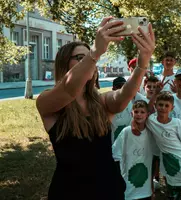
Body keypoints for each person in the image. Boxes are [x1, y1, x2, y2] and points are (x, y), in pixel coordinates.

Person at [35, 17, 155, 200]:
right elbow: (69, 89)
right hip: (69, 193)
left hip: (109, 191)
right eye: (80, 58)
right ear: (64, 63)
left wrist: (142, 63)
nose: (90, 62)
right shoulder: (47, 102)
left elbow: (123, 97)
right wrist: (94, 53)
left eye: (89, 58)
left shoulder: (101, 102)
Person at [112, 100, 159, 200]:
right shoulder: (126, 132)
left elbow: (155, 158)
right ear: (131, 113)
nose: (139, 115)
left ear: (147, 114)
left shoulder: (151, 133)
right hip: (128, 187)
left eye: (142, 112)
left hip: (145, 189)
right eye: (136, 112)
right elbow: (115, 156)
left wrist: (151, 186)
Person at [111, 77, 132, 142]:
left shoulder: (131, 101)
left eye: (123, 86)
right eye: (118, 86)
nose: (121, 89)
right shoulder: (108, 104)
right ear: (113, 89)